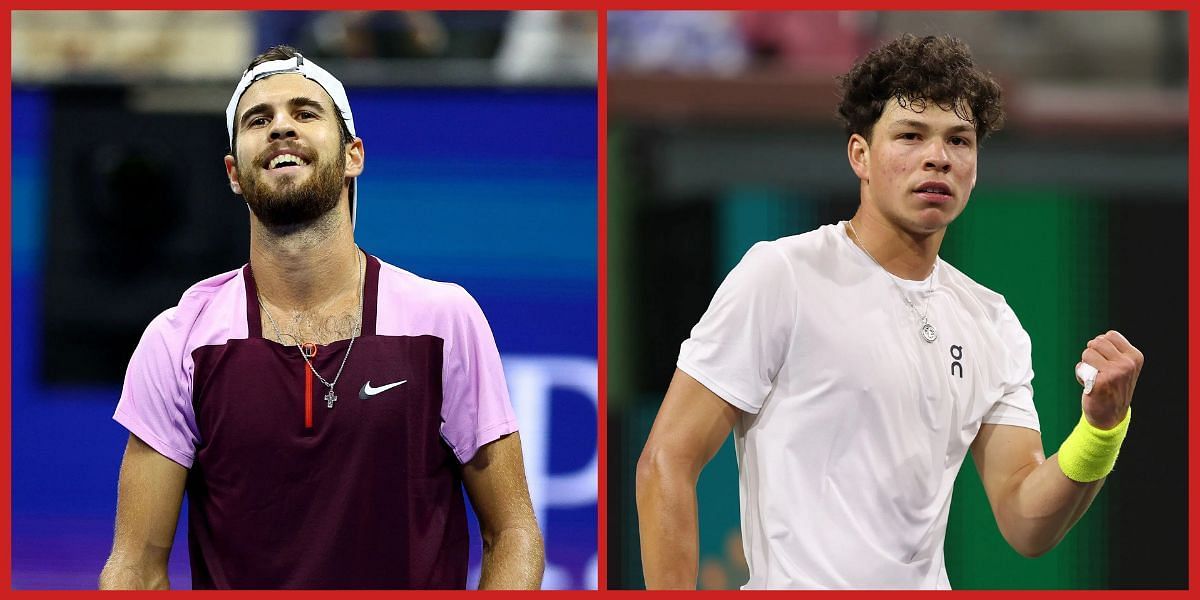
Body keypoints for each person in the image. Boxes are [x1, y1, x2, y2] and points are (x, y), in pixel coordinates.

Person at [635, 34, 1143, 590]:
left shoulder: (994, 323)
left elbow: (1026, 521)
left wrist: (1102, 430)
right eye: (910, 135)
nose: (938, 157)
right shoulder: (781, 275)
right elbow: (667, 462)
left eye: (959, 140)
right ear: (860, 155)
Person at [98, 45, 544, 590]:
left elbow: (514, 534)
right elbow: (135, 569)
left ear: (353, 154)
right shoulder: (179, 340)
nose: (281, 128)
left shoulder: (444, 319)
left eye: (305, 113)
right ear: (235, 173)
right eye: (258, 120)